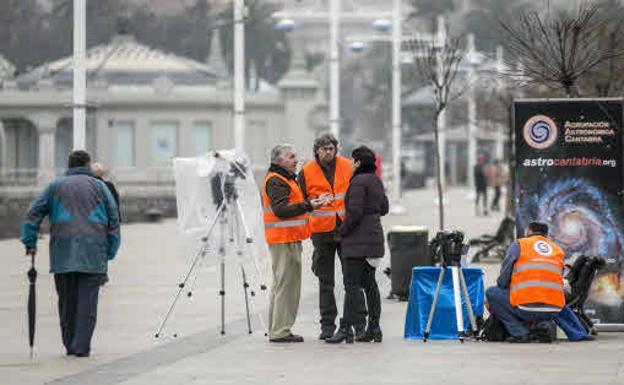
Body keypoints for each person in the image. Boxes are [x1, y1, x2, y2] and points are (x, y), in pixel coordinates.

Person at [20, 150, 120, 357]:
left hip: (62, 253)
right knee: (87, 303)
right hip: (94, 252)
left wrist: (30, 242)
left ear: (69, 165)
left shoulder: (55, 187)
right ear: (88, 164)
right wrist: (110, 250)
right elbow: (113, 219)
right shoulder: (100, 187)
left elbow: (33, 213)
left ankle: (69, 343)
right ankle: (81, 346)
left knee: (66, 302)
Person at [297, 134, 366, 340]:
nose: (329, 152)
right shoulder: (307, 171)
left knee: (351, 280)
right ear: (316, 150)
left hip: (346, 230)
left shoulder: (347, 165)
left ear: (336, 149)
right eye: (324, 148)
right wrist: (314, 202)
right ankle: (327, 325)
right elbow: (301, 200)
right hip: (322, 232)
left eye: (332, 148)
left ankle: (358, 324)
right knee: (325, 282)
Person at [326, 146, 389, 344]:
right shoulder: (376, 181)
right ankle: (374, 328)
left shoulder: (357, 182)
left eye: (353, 161)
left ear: (359, 163)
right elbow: (384, 208)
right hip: (374, 239)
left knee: (351, 286)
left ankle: (345, 329)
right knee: (370, 285)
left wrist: (341, 232)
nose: (350, 164)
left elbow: (354, 213)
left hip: (357, 242)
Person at [263, 144, 324, 343]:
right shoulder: (277, 181)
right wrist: (308, 205)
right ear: (279, 161)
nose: (295, 159)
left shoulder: (285, 179)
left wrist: (310, 203)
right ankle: (280, 330)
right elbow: (281, 210)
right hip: (283, 239)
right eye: (291, 157)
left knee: (282, 284)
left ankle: (277, 328)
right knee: (286, 285)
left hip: (287, 238)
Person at [486, 222, 565, 343]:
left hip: (526, 306)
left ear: (529, 231)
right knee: (539, 306)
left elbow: (504, 278)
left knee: (492, 293)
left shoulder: (520, 244)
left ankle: (520, 333)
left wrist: (505, 287)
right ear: (546, 234)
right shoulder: (557, 250)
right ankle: (544, 327)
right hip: (554, 309)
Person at [91, 162, 121, 286]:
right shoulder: (109, 186)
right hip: (106, 223)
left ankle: (95, 272)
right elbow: (115, 204)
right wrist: (117, 220)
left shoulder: (90, 187)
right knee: (103, 248)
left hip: (93, 222)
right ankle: (102, 273)